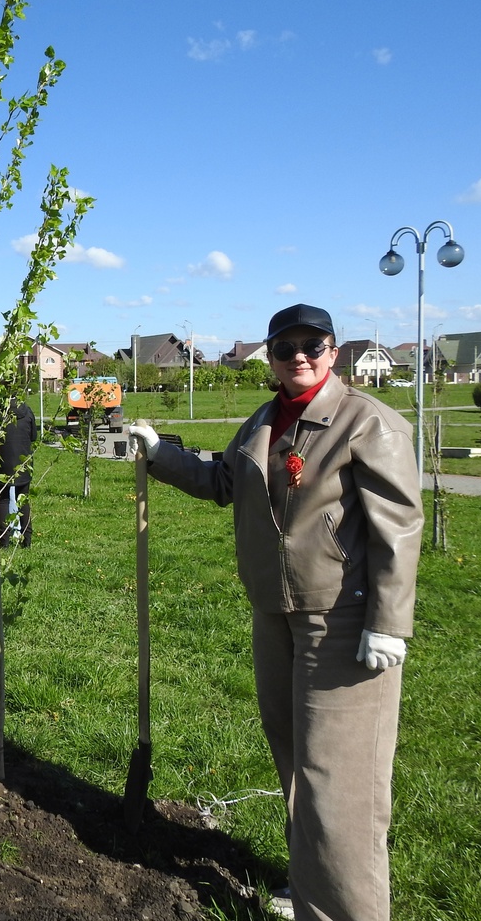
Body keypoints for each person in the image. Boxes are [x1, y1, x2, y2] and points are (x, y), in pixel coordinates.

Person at [127, 304, 422, 921]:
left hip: (342, 618)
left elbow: (399, 528)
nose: (300, 357)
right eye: (286, 348)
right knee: (293, 757)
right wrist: (159, 453)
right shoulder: (263, 421)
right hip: (275, 613)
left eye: (312, 345)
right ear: (271, 355)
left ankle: (345, 911)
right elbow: (224, 483)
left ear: (334, 350)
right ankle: (307, 880)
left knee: (338, 779)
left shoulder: (365, 423)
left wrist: (388, 624)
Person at [0, 397, 37, 548]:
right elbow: (34, 436)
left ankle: (3, 542)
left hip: (3, 463)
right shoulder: (28, 411)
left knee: (2, 501)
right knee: (22, 500)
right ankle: (27, 539)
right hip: (24, 462)